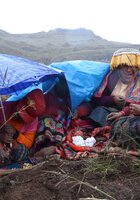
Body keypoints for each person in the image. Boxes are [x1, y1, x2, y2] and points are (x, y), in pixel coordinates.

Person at [89, 48, 140, 127]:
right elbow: (95, 101)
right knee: (99, 112)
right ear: (118, 68)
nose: (129, 70)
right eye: (125, 66)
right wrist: (112, 99)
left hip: (131, 115)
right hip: (110, 111)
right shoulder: (111, 79)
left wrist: (122, 113)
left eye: (133, 67)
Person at [0, 89, 46, 166]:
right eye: (20, 114)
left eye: (24, 117)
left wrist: (16, 134)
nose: (20, 118)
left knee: (21, 152)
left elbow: (28, 143)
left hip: (12, 147)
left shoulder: (33, 121)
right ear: (20, 103)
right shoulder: (3, 109)